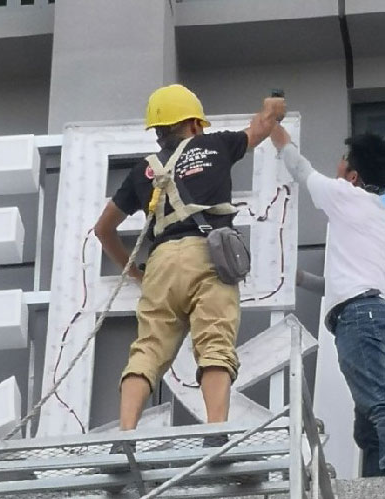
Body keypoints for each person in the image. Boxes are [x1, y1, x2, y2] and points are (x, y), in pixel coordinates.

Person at [94, 84, 285, 444]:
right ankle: (215, 432)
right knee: (214, 341)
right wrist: (273, 107)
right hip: (208, 253)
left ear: (158, 131)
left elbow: (103, 229)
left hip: (162, 261)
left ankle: (125, 435)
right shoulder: (216, 146)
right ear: (195, 124)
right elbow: (261, 127)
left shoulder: (143, 171)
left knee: (148, 348)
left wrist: (134, 273)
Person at [270, 125, 385, 475]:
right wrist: (301, 279)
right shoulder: (377, 213)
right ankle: (375, 491)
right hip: (374, 312)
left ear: (353, 176)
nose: (337, 164)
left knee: (378, 407)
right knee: (368, 428)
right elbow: (350, 282)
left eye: (343, 160)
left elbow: (301, 169)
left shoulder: (345, 196)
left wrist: (278, 136)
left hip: (359, 320)